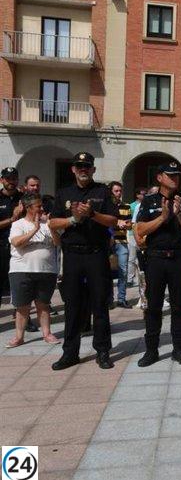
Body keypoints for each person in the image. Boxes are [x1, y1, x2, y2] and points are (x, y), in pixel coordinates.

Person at [48, 153, 118, 370]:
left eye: (87, 166)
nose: (83, 169)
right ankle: (70, 353)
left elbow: (113, 220)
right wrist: (74, 219)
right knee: (73, 305)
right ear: (73, 169)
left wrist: (92, 214)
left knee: (99, 304)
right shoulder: (63, 193)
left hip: (96, 254)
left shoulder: (102, 192)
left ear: (93, 169)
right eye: (79, 166)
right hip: (73, 256)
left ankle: (103, 351)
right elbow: (52, 222)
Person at [135, 162, 181, 367]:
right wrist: (162, 217)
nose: (175, 178)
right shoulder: (150, 200)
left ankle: (179, 349)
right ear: (159, 177)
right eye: (170, 175)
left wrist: (178, 213)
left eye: (177, 175)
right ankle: (151, 350)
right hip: (156, 259)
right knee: (153, 306)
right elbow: (141, 229)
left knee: (179, 306)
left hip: (178, 258)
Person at [5, 194, 60, 348]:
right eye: (38, 206)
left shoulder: (47, 224)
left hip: (46, 271)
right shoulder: (18, 224)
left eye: (41, 206)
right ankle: (19, 337)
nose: (41, 209)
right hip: (21, 271)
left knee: (43, 304)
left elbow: (57, 243)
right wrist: (35, 229)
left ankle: (47, 334)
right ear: (28, 208)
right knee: (22, 306)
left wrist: (51, 226)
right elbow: (17, 242)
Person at [1, 167, 24, 307]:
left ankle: (23, 317)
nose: (11, 182)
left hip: (20, 245)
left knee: (21, 284)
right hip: (1, 245)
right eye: (8, 179)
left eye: (14, 179)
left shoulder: (23, 198)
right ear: (2, 180)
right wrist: (13, 219)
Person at [108, 181, 132, 309]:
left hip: (122, 242)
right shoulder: (106, 206)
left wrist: (126, 224)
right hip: (108, 242)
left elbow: (129, 225)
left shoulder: (126, 206)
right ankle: (109, 299)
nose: (119, 193)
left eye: (120, 191)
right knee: (108, 272)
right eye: (116, 191)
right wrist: (118, 223)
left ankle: (121, 299)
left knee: (123, 271)